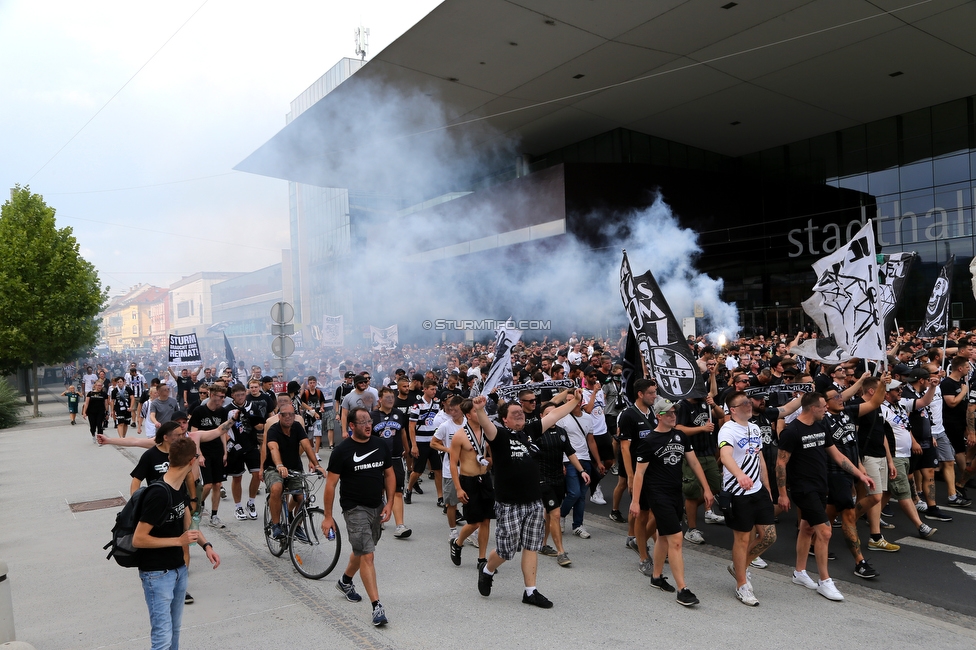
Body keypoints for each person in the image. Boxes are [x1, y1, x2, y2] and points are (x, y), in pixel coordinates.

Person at [471, 392, 581, 608]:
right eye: (515, 413)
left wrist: (575, 401)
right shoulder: (499, 436)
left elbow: (554, 415)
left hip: (533, 501)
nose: (520, 414)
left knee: (531, 545)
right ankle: (487, 570)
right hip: (509, 503)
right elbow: (486, 424)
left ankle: (530, 592)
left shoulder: (530, 432)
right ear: (505, 419)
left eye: (521, 412)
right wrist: (480, 409)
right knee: (506, 550)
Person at [776, 392, 876, 602]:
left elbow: (837, 455)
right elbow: (781, 463)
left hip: (822, 486)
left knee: (807, 528)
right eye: (823, 407)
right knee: (825, 532)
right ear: (813, 408)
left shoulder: (822, 426)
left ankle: (799, 572)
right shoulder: (792, 431)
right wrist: (783, 494)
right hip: (804, 489)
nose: (826, 409)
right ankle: (825, 581)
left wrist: (860, 474)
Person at [132, 436, 219, 650]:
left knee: (174, 630)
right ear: (191, 461)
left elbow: (189, 526)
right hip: (157, 574)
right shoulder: (158, 494)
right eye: (197, 457)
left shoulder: (179, 487)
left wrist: (207, 546)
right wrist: (177, 541)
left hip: (178, 569)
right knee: (162, 636)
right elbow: (138, 538)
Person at [630, 397, 712, 607]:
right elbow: (639, 474)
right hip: (657, 495)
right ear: (659, 416)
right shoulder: (648, 442)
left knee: (665, 539)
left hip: (676, 493)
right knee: (676, 539)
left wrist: (707, 488)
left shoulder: (680, 436)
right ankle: (682, 589)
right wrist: (636, 502)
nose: (673, 415)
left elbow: (693, 461)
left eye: (675, 412)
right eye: (669, 413)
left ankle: (656, 577)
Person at [321, 406, 394, 627]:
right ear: (351, 426)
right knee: (368, 556)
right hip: (354, 508)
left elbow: (389, 474)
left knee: (362, 550)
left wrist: (389, 503)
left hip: (377, 506)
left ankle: (345, 581)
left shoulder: (380, 445)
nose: (368, 424)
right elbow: (331, 485)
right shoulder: (342, 451)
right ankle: (377, 606)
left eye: (369, 420)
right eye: (362, 421)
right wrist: (327, 516)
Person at [718, 391, 777, 606]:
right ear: (733, 410)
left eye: (748, 401)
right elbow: (725, 456)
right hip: (738, 492)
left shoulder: (754, 428)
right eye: (743, 403)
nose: (748, 405)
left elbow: (759, 457)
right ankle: (741, 585)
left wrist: (767, 487)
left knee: (769, 536)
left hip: (758, 490)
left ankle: (738, 566)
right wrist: (740, 475)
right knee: (742, 539)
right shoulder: (727, 430)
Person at [262, 403, 322, 539]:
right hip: (274, 468)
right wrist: (279, 465)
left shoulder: (297, 427)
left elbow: (306, 445)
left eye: (291, 414)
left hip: (294, 468)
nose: (288, 417)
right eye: (284, 415)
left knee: (302, 496)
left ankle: (295, 524)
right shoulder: (273, 430)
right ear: (279, 416)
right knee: (277, 488)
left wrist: (316, 465)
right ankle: (276, 525)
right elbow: (273, 448)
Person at [449, 398, 494, 570]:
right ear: (468, 415)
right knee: (474, 522)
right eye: (476, 411)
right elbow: (453, 463)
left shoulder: (487, 432)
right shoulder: (460, 435)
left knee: (486, 520)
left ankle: (482, 559)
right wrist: (458, 488)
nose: (480, 413)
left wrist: (489, 459)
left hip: (485, 478)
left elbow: (493, 456)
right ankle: (458, 542)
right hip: (468, 480)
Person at [370, 386, 411, 538]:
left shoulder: (399, 414)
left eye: (392, 397)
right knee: (378, 490)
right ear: (379, 399)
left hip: (395, 458)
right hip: (377, 459)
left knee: (397, 491)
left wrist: (407, 451)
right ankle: (379, 517)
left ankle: (400, 525)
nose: (390, 400)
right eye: (387, 398)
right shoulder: (372, 415)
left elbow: (403, 433)